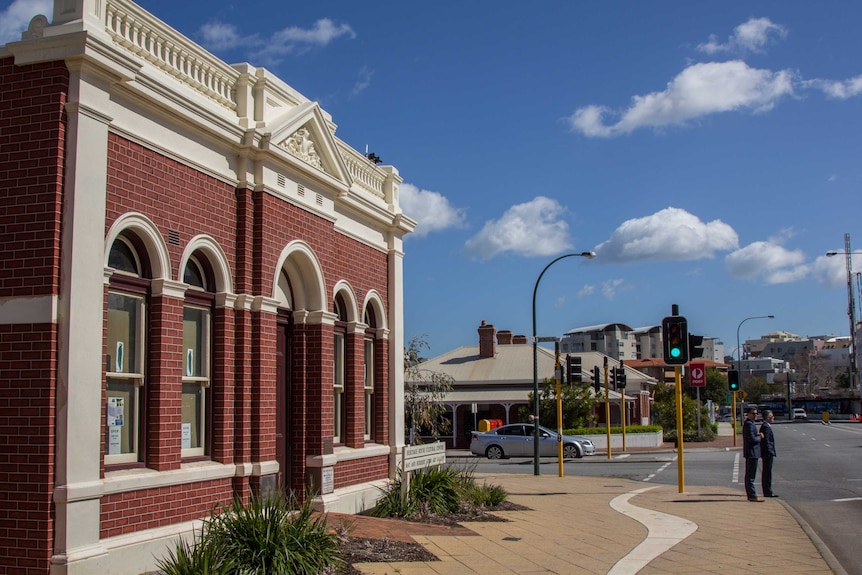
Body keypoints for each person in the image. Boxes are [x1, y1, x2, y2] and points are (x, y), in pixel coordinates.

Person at [742, 406, 764, 502]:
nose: (756, 415)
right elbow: (751, 439)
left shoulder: (750, 424)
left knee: (751, 475)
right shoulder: (749, 424)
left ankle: (752, 494)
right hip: (752, 453)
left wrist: (757, 435)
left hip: (752, 452)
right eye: (753, 413)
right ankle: (752, 495)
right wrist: (760, 437)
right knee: (750, 475)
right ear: (748, 414)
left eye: (756, 413)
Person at [760, 410, 777, 497]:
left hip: (767, 453)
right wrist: (770, 452)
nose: (773, 418)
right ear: (768, 418)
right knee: (767, 473)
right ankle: (768, 491)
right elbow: (766, 441)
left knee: (767, 472)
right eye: (772, 417)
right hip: (767, 454)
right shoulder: (766, 427)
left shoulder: (766, 426)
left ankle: (767, 490)